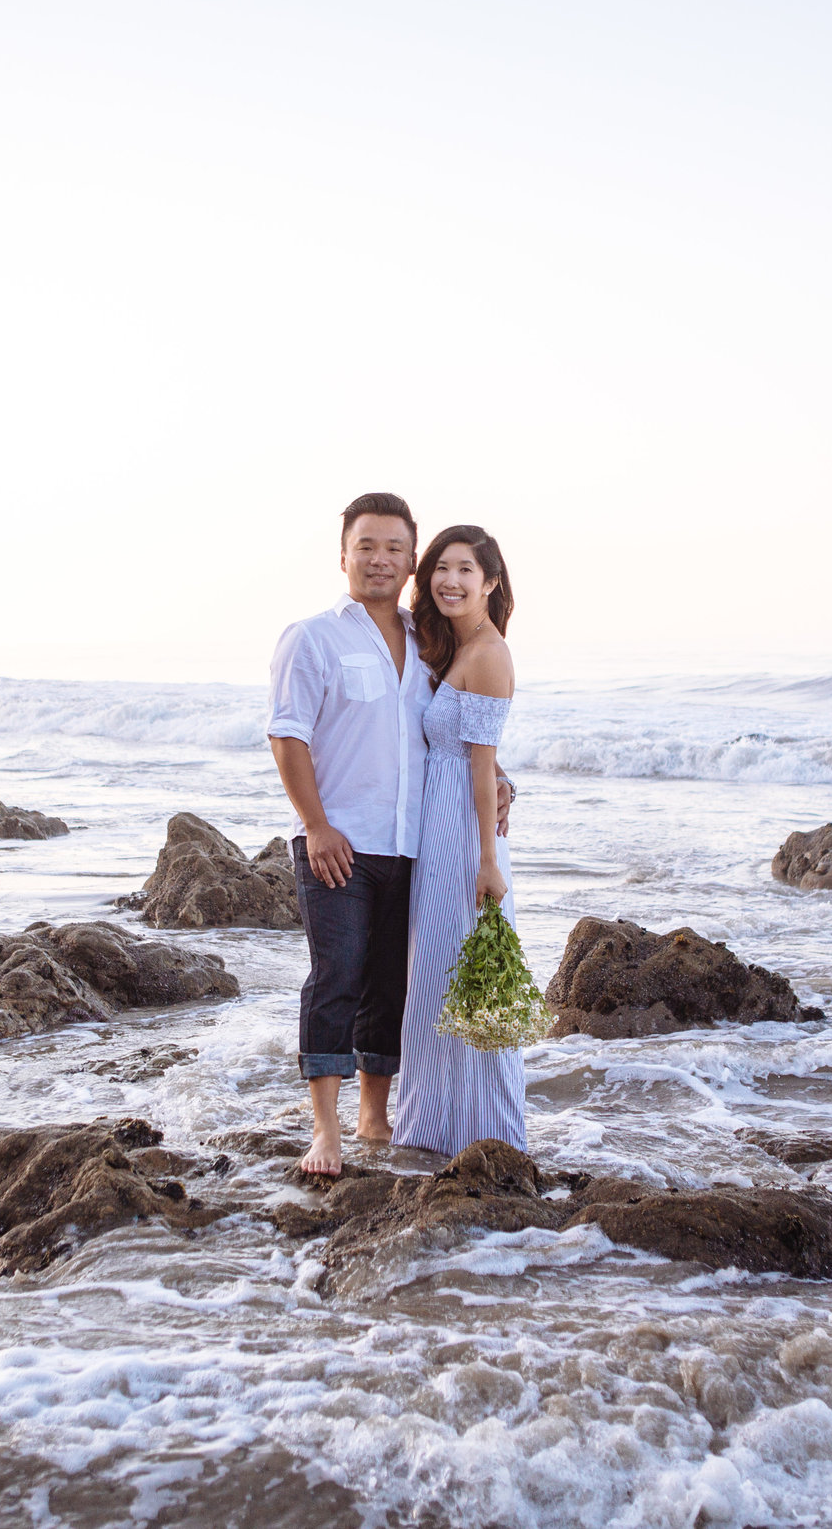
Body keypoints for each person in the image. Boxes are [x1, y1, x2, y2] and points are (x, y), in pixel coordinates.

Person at [267, 493, 510, 1176]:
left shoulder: (429, 642)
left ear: (410, 559)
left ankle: (375, 1115)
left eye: (394, 548)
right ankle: (326, 1129)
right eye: (366, 546)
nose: (380, 559)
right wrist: (315, 826)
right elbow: (287, 737)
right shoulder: (313, 636)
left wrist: (504, 779)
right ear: (343, 554)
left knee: (390, 988)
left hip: (414, 845)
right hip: (337, 841)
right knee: (336, 977)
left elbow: (457, 729)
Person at [391, 525, 527, 1157]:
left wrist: (489, 863)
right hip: (444, 824)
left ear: (490, 581)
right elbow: (485, 763)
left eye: (465, 570)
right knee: (436, 981)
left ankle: (479, 1135)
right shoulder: (458, 646)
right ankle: (432, 1133)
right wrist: (503, 781)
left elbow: (480, 763)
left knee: (455, 980)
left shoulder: (490, 653)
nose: (449, 580)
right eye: (440, 567)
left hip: (462, 838)